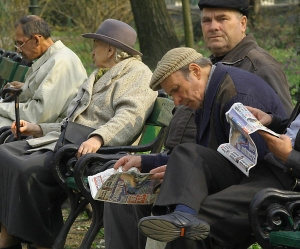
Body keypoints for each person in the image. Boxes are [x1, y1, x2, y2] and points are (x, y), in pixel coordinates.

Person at [110, 47, 290, 249]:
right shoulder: (211, 89)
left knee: (186, 231)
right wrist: (145, 161)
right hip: (238, 176)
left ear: (195, 71)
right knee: (134, 189)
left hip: (264, 185)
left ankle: (176, 217)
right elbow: (202, 154)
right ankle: (179, 215)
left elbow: (252, 165)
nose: (176, 102)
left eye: (176, 90)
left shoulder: (236, 93)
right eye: (171, 95)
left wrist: (187, 175)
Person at [0, 19, 157, 249]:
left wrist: (98, 138)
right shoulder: (100, 73)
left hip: (94, 150)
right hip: (69, 141)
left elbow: (129, 117)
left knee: (26, 170)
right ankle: (7, 233)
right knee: (4, 153)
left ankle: (42, 240)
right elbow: (73, 122)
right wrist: (40, 128)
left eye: (96, 45)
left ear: (111, 49)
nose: (92, 51)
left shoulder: (137, 74)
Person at [0, 15, 87, 127]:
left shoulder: (60, 63)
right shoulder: (53, 58)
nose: (18, 49)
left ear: (36, 40)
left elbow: (39, 115)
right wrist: (25, 89)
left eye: (20, 43)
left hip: (49, 132)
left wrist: (1, 107)